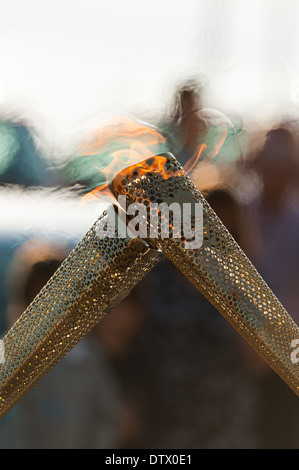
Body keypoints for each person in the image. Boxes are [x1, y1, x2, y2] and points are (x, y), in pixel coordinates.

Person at [0, 239, 122, 449]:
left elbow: (106, 415)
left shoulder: (87, 356)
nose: (49, 311)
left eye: (58, 300)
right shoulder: (9, 355)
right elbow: (10, 425)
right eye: (39, 300)